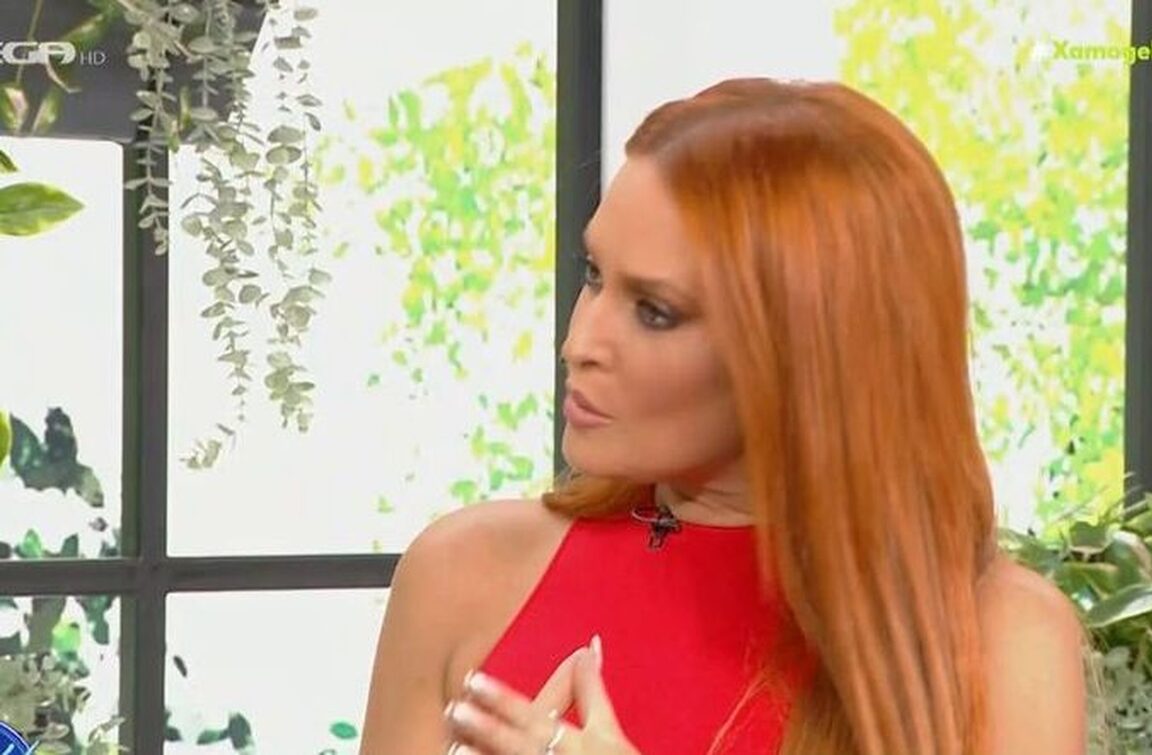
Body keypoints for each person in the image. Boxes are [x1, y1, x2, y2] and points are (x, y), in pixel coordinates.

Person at [359, 77, 1089, 755]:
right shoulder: (460, 574)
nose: (578, 344)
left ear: (807, 357)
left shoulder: (1002, 641)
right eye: (594, 275)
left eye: (655, 311)